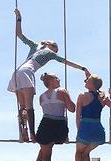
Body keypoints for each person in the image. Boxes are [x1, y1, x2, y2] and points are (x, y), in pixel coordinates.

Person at [9, 8, 89, 142]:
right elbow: (66, 61)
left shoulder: (34, 46)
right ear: (50, 45)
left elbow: (19, 34)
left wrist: (18, 18)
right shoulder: (50, 53)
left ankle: (23, 132)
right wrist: (83, 68)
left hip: (16, 73)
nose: (56, 51)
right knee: (29, 107)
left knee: (21, 107)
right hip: (27, 72)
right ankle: (33, 135)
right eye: (56, 48)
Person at [27, 72, 76, 161]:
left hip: (46, 123)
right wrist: (68, 97)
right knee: (47, 148)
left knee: (46, 150)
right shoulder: (62, 92)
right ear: (52, 81)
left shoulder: (41, 96)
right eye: (57, 78)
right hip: (59, 125)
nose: (59, 79)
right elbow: (72, 109)